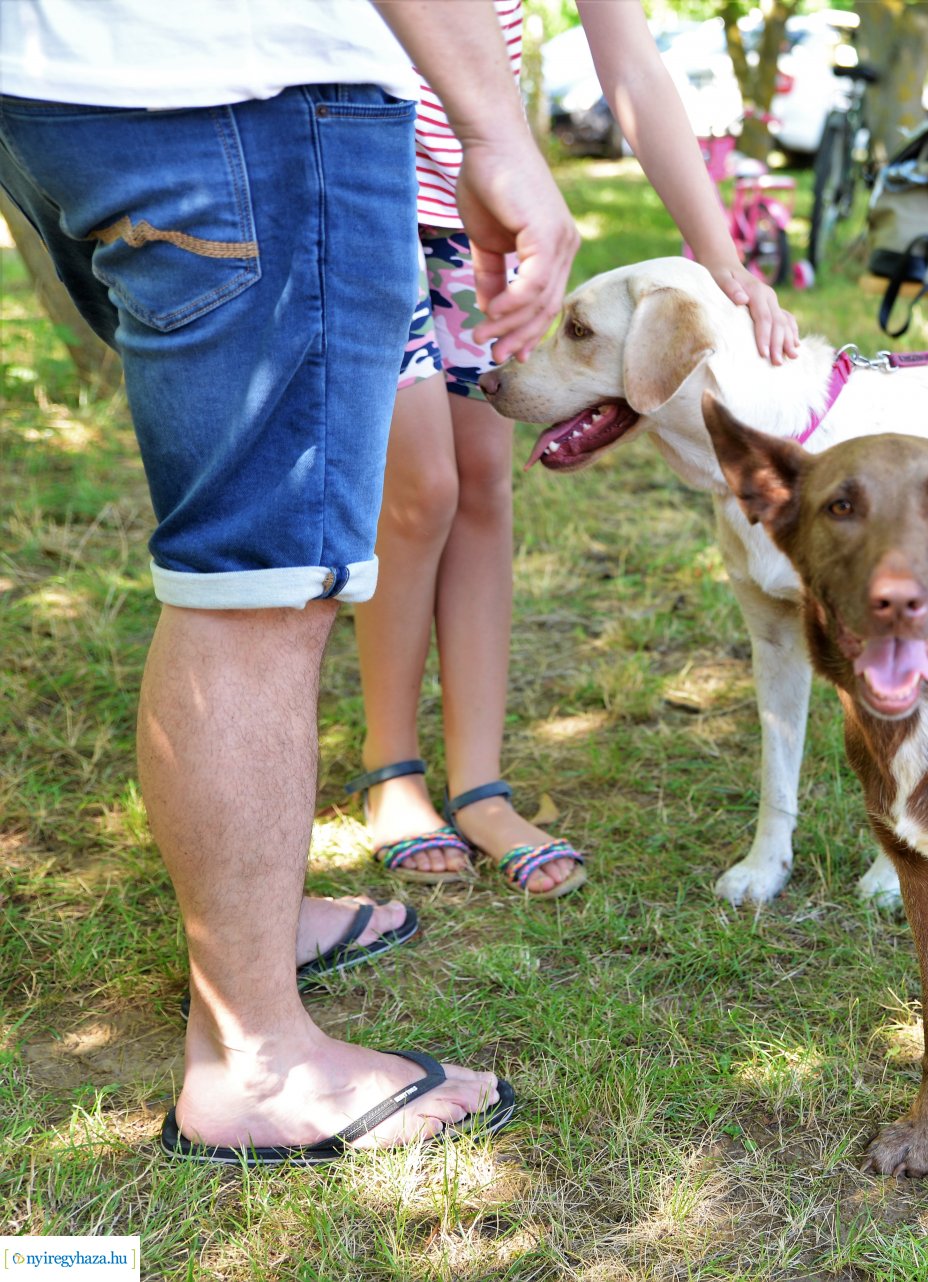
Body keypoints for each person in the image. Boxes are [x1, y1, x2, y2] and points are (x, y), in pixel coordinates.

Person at [0, 0, 576, 1158]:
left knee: (236, 548)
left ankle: (255, 934)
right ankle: (252, 1060)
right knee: (260, 586)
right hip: (243, 100)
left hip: (68, 88)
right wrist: (499, 134)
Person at [351, 1, 800, 900]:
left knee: (484, 484)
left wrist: (724, 264)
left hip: (479, 218)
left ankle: (479, 787)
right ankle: (391, 770)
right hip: (357, 188)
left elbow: (631, 64)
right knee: (422, 489)